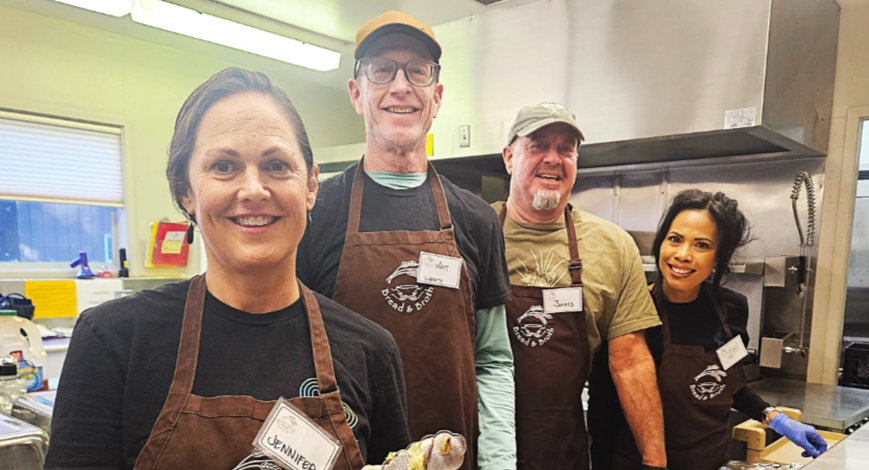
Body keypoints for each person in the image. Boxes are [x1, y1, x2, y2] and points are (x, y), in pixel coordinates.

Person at [44, 68, 411, 470]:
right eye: (223, 166)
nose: (254, 189)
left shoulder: (369, 350)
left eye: (276, 165)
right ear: (186, 191)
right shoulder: (114, 340)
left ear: (310, 187)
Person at [297, 11, 515, 470]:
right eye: (382, 69)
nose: (400, 86)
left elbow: (494, 361)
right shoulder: (313, 214)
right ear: (358, 94)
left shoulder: (477, 220)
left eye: (418, 71)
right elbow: (290, 354)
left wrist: (498, 461)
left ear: (436, 97)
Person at [589, 189, 827, 470]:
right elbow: (602, 409)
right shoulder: (631, 313)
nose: (683, 255)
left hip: (711, 462)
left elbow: (725, 385)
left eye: (701, 245)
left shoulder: (731, 309)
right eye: (675, 240)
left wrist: (773, 416)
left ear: (719, 257)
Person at [493, 102, 667, 470]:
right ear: (509, 157)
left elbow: (631, 361)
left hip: (562, 450)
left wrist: (655, 461)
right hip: (479, 445)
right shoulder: (472, 232)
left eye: (566, 148)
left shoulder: (613, 245)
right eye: (538, 145)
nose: (553, 159)